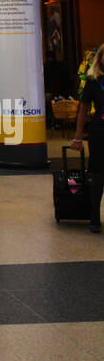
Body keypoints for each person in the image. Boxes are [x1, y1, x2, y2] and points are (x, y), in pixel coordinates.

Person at [70, 41, 104, 233]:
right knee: (98, 174)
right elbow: (82, 111)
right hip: (99, 131)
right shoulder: (92, 81)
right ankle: (94, 214)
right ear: (100, 58)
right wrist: (78, 137)